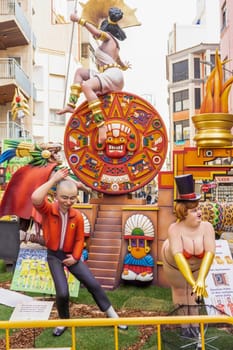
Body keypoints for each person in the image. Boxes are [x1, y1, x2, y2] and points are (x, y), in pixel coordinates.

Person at [31, 167, 127, 336]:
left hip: (71, 256)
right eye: (64, 198)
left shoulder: (77, 216)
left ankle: (113, 316)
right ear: (56, 197)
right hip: (54, 256)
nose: (68, 202)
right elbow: (36, 198)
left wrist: (75, 258)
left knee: (93, 284)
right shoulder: (48, 210)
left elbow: (79, 240)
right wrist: (54, 181)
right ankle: (64, 321)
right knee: (62, 292)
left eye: (72, 198)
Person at [57, 7, 131, 144]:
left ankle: (101, 126)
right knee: (80, 72)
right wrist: (125, 66)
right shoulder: (115, 44)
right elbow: (120, 62)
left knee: (86, 86)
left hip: (111, 75)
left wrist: (79, 20)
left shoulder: (107, 37)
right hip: (112, 74)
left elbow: (96, 33)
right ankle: (71, 104)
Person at [161, 174, 216, 338]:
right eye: (194, 210)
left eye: (198, 209)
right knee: (180, 291)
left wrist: (200, 281)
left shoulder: (207, 228)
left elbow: (210, 253)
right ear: (183, 212)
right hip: (175, 267)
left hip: (197, 267)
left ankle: (195, 324)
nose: (199, 213)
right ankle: (185, 326)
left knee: (194, 295)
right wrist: (193, 282)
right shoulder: (174, 229)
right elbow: (178, 256)